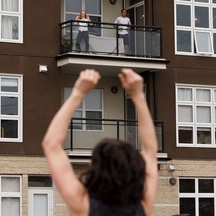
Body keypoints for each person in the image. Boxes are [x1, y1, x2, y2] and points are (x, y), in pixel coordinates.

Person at [42, 68, 158, 216]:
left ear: (94, 166)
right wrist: (138, 95)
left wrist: (78, 93)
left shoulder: (82, 205)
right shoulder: (142, 206)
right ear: (134, 168)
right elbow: (150, 151)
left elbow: (51, 145)